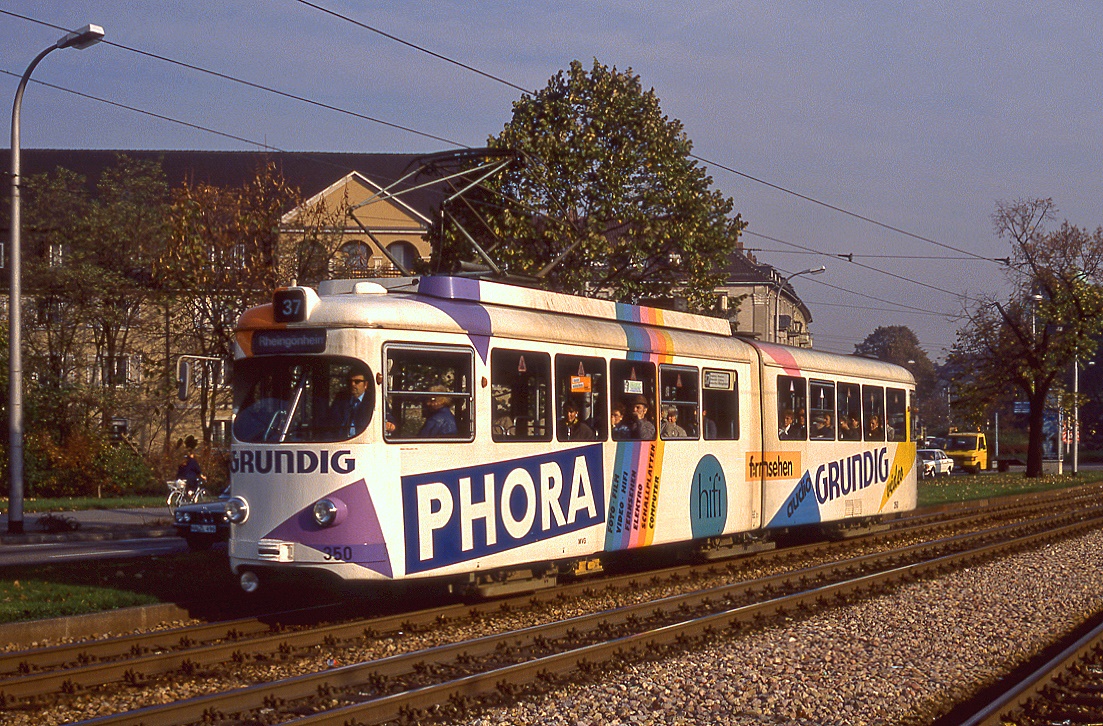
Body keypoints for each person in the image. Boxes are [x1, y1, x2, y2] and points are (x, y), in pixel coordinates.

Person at [329, 369, 372, 438]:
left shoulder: (373, 400)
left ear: (366, 384)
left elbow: (388, 420)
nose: (352, 384)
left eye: (357, 381)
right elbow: (330, 422)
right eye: (349, 382)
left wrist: (389, 425)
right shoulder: (340, 399)